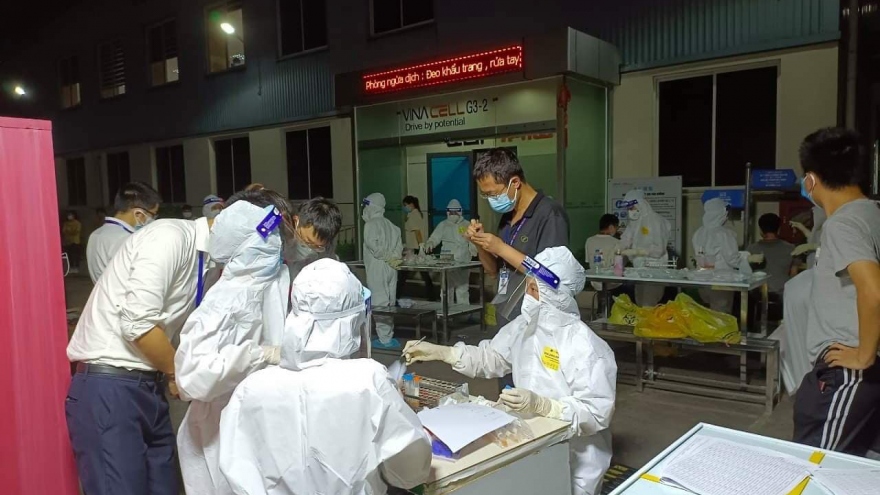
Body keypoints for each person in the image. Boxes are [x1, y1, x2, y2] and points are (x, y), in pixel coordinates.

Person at [403, 247, 616, 495]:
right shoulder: (524, 326)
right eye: (528, 286)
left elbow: (596, 412)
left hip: (576, 453)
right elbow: (492, 356)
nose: (527, 294)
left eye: (534, 289)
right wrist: (444, 353)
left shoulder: (587, 347)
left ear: (556, 294)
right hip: (529, 437)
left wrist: (545, 406)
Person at [218, 259, 432, 494]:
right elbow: (410, 471)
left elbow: (236, 471)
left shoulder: (249, 389)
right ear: (352, 321)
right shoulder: (368, 381)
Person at [66, 199, 216, 495]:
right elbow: (138, 325)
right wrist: (176, 372)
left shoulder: (207, 259)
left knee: (165, 486)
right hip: (111, 387)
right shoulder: (169, 237)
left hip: (148, 385)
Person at [175, 194, 293, 495]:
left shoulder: (271, 281)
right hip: (221, 427)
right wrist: (260, 355)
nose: (279, 242)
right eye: (274, 235)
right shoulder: (228, 295)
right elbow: (193, 374)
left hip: (258, 419)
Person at [792, 127, 880, 457]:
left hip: (847, 372)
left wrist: (863, 356)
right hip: (865, 371)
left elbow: (873, 290)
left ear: (811, 180)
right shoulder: (872, 214)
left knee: (815, 464)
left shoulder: (842, 224)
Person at [466, 148, 569, 326]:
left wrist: (501, 248)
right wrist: (479, 243)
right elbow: (494, 271)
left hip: (536, 321)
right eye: (485, 195)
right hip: (508, 317)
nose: (490, 200)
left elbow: (549, 276)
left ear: (515, 182)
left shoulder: (550, 215)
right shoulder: (508, 215)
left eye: (493, 194)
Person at [86, 182, 161, 283]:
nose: (152, 219)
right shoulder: (128, 240)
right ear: (138, 213)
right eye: (153, 214)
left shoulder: (95, 234)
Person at [362, 192, 403, 349]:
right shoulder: (393, 227)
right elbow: (398, 249)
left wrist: (386, 256)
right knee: (390, 301)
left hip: (378, 266)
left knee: (379, 302)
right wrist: (393, 258)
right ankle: (388, 335)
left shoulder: (371, 225)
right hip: (392, 267)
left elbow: (373, 246)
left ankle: (384, 339)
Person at [620, 189, 672, 307]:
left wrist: (637, 251)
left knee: (649, 304)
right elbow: (626, 238)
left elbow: (659, 250)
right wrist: (617, 248)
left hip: (654, 271)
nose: (630, 211)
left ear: (640, 204)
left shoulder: (655, 220)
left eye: (632, 208)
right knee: (640, 302)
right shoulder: (635, 222)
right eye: (628, 209)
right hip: (639, 270)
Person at [692, 197, 741, 313]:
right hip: (721, 283)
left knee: (707, 315)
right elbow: (733, 260)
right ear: (722, 213)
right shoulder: (723, 234)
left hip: (703, 281)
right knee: (721, 317)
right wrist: (747, 259)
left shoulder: (698, 232)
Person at [425, 199, 478, 305]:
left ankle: (463, 312)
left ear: (460, 211)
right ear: (447, 212)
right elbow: (434, 238)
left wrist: (473, 249)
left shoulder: (467, 224)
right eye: (451, 211)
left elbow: (472, 240)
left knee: (462, 289)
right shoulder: (443, 225)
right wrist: (430, 243)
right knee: (446, 289)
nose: (453, 214)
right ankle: (447, 311)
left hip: (463, 261)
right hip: (447, 260)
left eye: (455, 211)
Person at [284, 196, 343, 282]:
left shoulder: (328, 250)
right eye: (308, 242)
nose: (311, 249)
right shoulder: (279, 240)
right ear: (296, 221)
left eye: (319, 247)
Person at [747, 213, 794, 296]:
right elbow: (794, 276)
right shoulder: (791, 248)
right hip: (783, 295)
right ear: (779, 229)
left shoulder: (751, 249)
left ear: (761, 230)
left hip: (757, 295)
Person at [400, 195, 435, 299]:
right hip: (414, 247)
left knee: (404, 273)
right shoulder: (415, 214)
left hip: (414, 248)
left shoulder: (414, 215)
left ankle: (397, 294)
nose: (404, 207)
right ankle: (431, 295)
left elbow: (417, 232)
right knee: (422, 273)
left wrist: (420, 246)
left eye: (405, 205)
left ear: (411, 204)